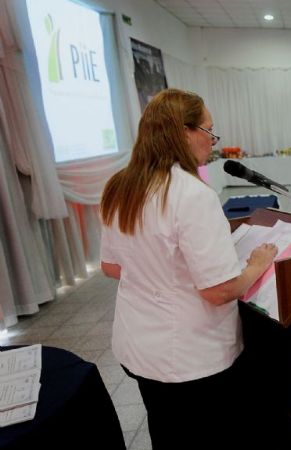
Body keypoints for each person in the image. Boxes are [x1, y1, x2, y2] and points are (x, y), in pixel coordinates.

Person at [100, 89, 278, 449]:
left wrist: (164, 276)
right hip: (191, 358)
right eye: (209, 131)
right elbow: (219, 291)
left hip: (139, 346)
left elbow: (111, 266)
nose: (213, 143)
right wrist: (257, 264)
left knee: (166, 434)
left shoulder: (121, 186)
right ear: (183, 132)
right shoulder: (192, 195)